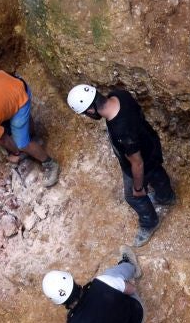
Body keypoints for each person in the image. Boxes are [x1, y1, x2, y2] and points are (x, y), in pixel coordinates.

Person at [66, 84, 176, 247]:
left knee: (132, 196)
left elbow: (137, 163)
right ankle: (166, 196)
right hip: (151, 144)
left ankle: (149, 222)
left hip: (141, 160)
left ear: (90, 110)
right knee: (156, 170)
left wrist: (138, 189)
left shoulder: (121, 130)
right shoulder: (119, 94)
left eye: (85, 113)